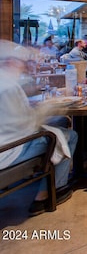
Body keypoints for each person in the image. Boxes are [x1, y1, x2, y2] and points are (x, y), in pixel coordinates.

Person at [0, 40, 77, 216]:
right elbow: (25, 124)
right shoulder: (9, 87)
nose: (24, 66)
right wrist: (48, 108)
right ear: (11, 62)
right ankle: (50, 192)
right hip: (9, 148)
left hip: (7, 141)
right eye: (22, 63)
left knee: (59, 127)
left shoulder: (7, 83)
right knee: (68, 135)